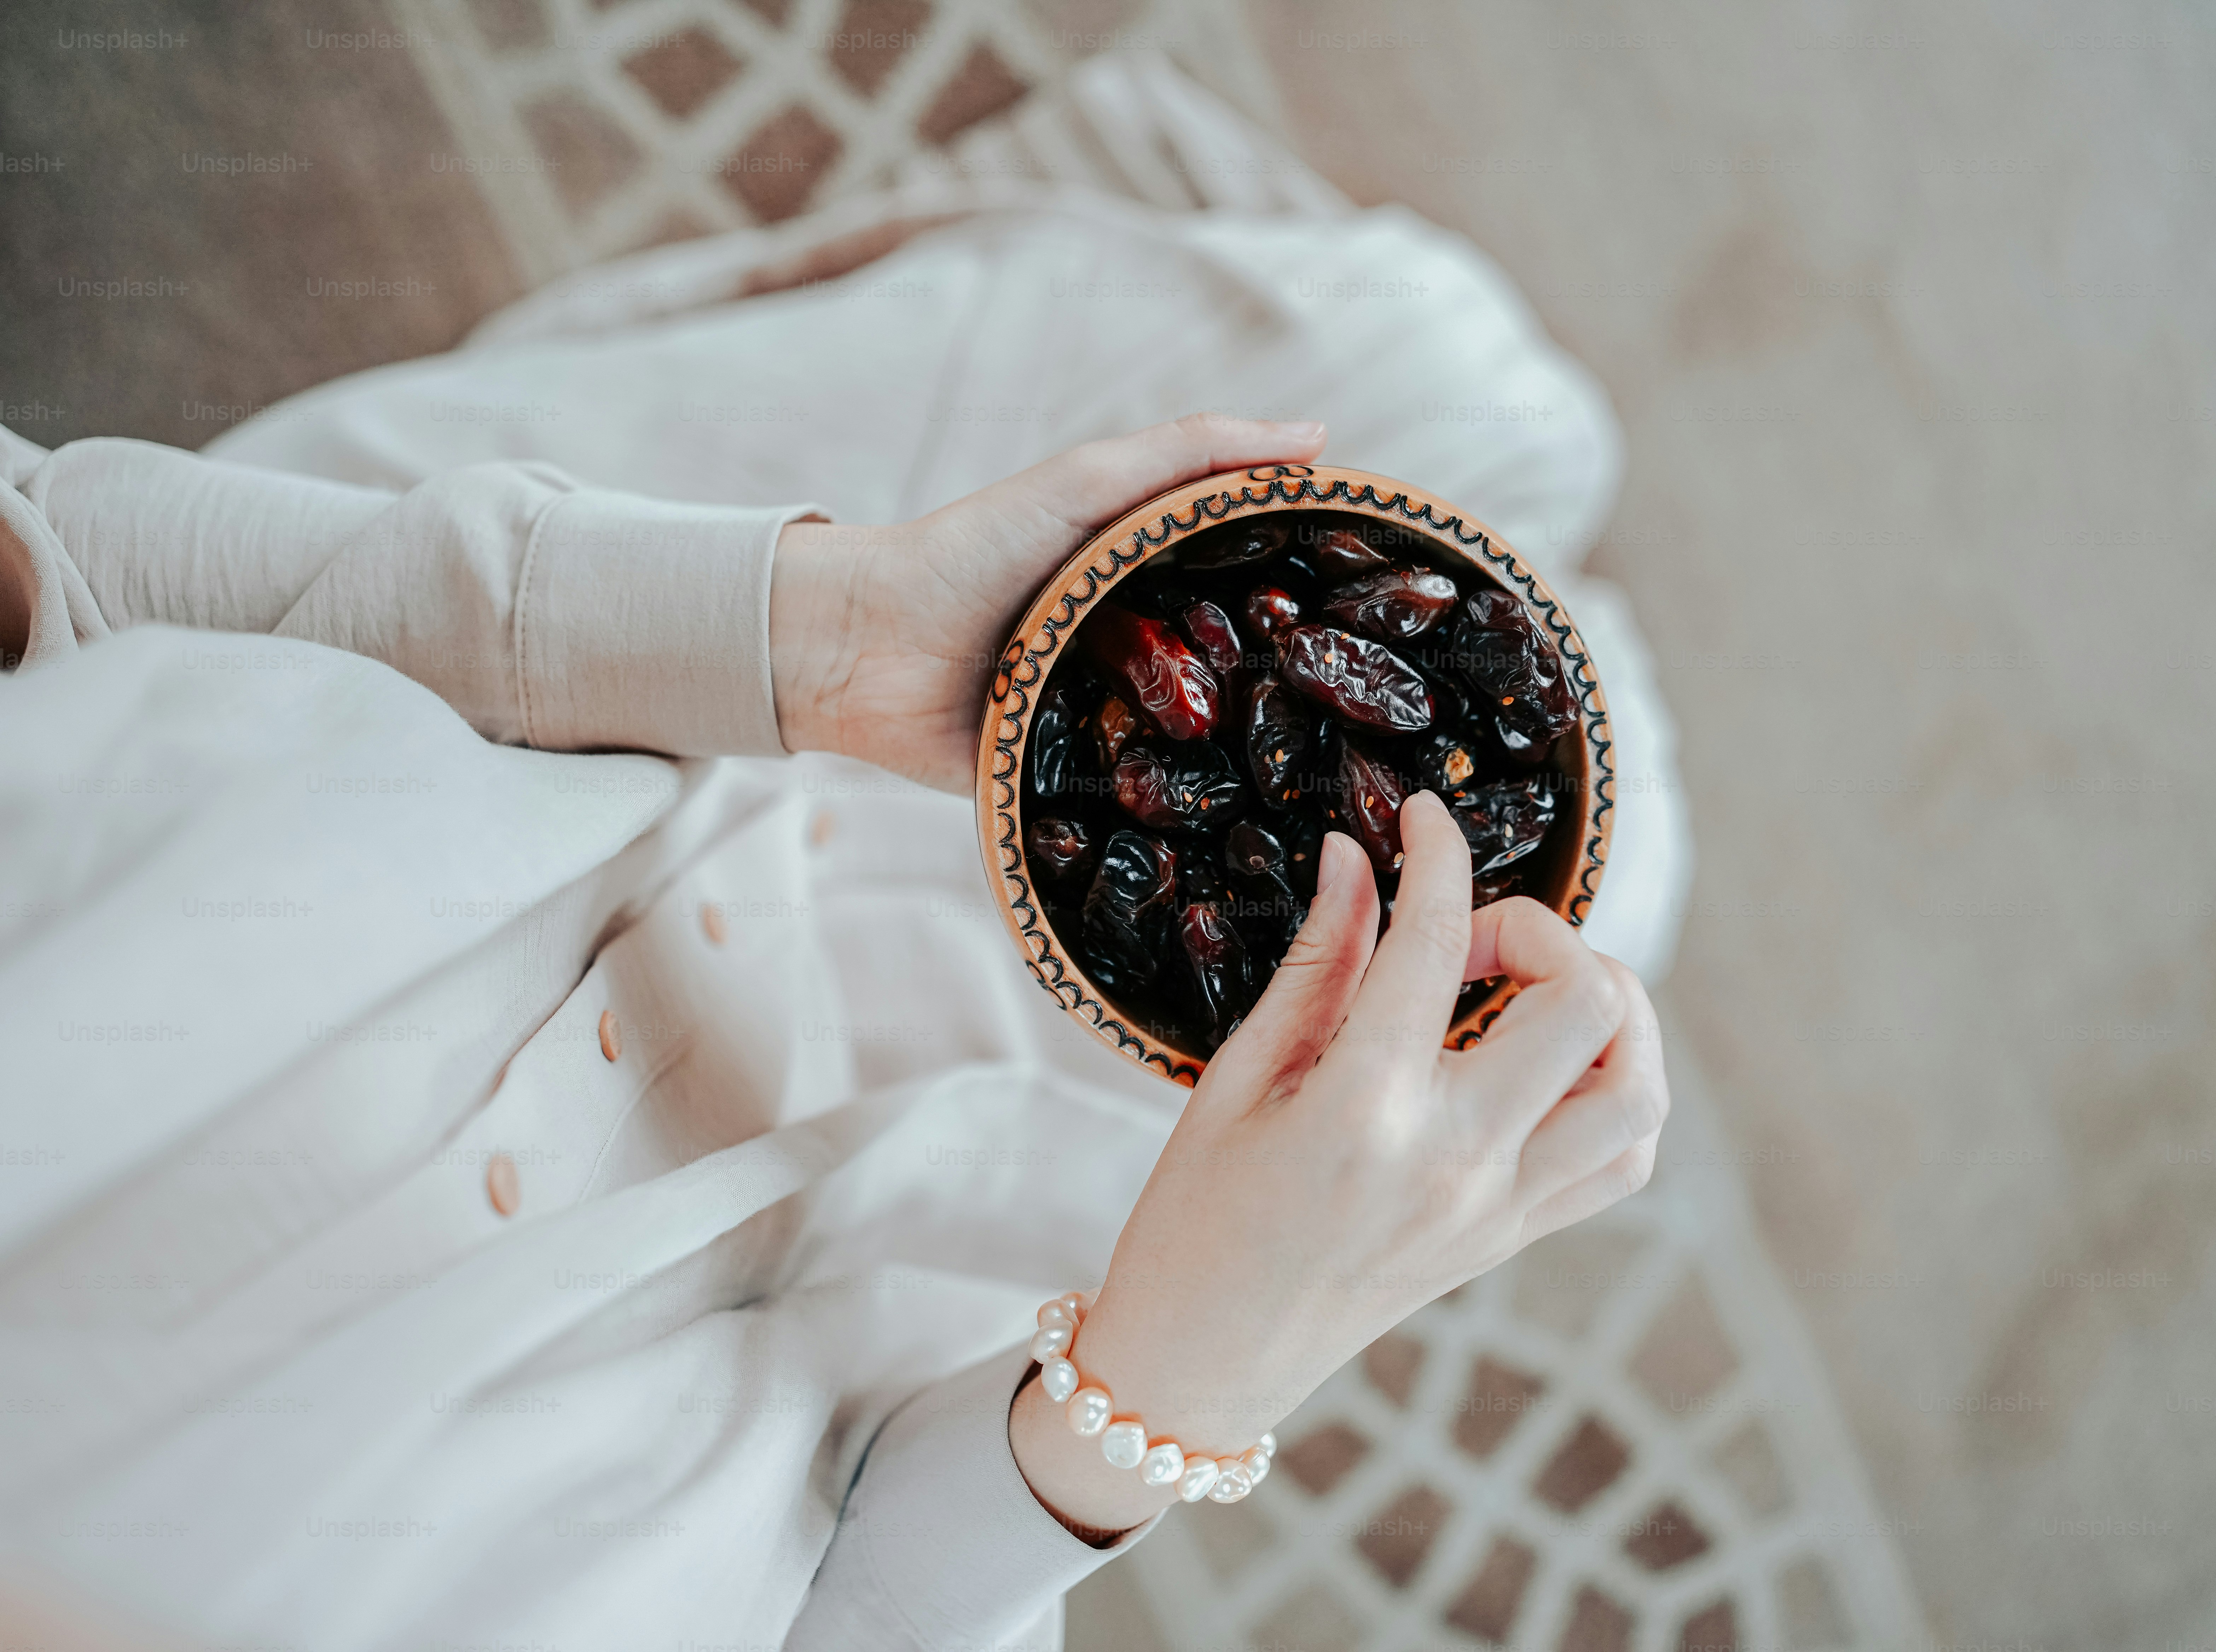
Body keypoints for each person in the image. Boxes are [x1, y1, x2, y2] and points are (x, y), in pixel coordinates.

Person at [0, 56, 1686, 1652]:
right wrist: (1176, 1388)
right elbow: (874, 1611)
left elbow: (52, 550)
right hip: (885, 1198)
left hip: (579, 672)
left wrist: (825, 634)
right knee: (1625, 841)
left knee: (1439, 364)